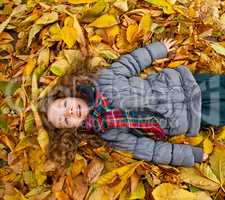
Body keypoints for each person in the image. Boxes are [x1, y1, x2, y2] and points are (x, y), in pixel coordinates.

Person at [45, 39, 221, 167]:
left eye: (64, 105)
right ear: (73, 128)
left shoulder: (103, 80)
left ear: (70, 95)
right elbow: (149, 149)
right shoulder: (108, 132)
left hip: (183, 84)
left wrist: (157, 50)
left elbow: (130, 63)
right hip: (191, 116)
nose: (68, 112)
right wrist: (191, 155)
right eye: (65, 120)